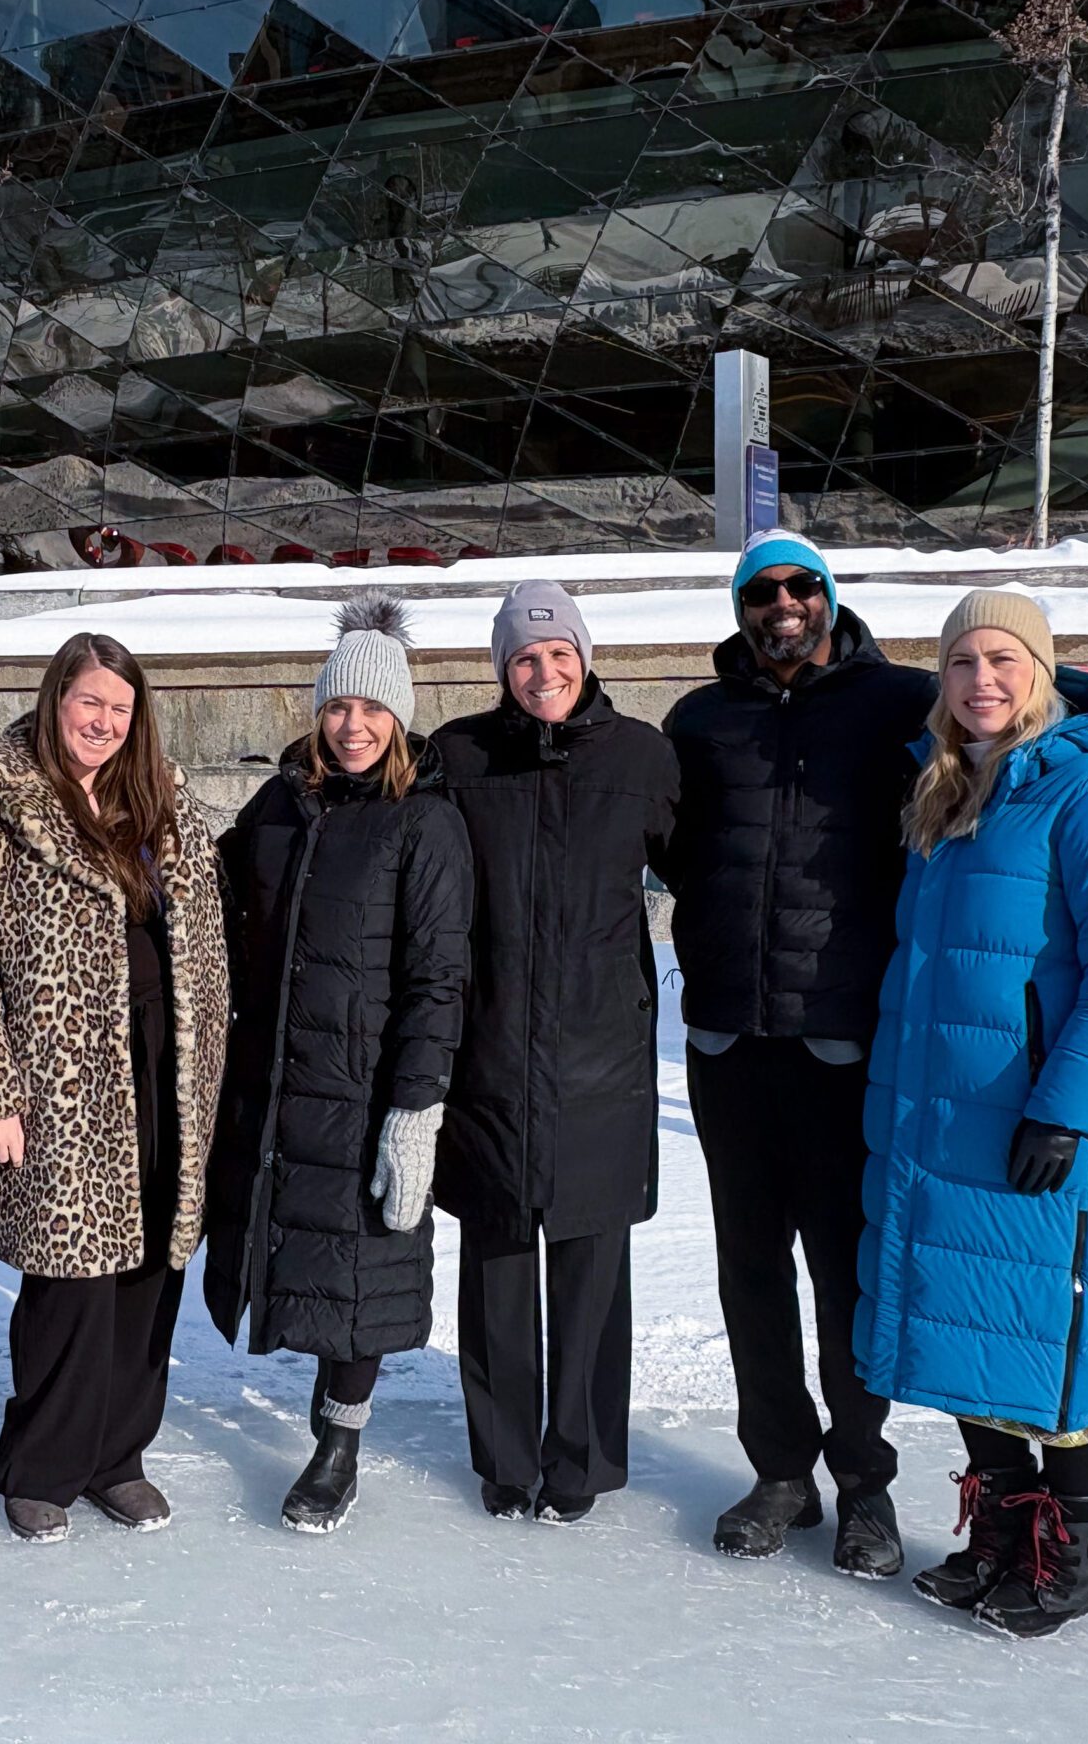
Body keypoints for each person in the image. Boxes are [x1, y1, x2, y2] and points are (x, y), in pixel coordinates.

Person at [662, 530, 1088, 1576]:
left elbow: (1053, 767)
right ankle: (778, 1473)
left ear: (828, 596)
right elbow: (634, 831)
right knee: (748, 1272)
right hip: (731, 1040)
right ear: (740, 607)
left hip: (850, 1045)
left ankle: (864, 1484)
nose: (782, 605)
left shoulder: (900, 703)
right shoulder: (698, 720)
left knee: (853, 1272)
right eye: (760, 591)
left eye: (801, 586)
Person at [860, 592, 1088, 1636]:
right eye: (960, 662)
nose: (980, 680)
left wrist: (1067, 1109)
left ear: (1040, 671)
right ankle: (998, 1529)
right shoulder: (946, 790)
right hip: (942, 1122)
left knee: (1061, 1336)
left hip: (1037, 1126)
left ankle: (1063, 1554)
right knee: (964, 1322)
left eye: (1002, 659)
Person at [0, 631, 230, 1544]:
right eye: (88, 701)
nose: (102, 721)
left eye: (119, 709)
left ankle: (117, 1457)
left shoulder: (166, 804)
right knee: (69, 1279)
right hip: (55, 1081)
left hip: (164, 1065)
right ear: (57, 698)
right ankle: (41, 1465)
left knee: (150, 1272)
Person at [209, 598, 471, 1534]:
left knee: (360, 1270)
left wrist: (416, 1110)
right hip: (277, 1080)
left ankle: (338, 1443)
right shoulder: (280, 803)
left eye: (371, 710)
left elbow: (440, 979)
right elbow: (217, 893)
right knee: (291, 1251)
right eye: (336, 708)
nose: (352, 727)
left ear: (399, 717)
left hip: (364, 1088)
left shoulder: (425, 823)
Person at [430, 582, 677, 1525]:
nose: (544, 673)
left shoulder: (643, 758)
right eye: (525, 659)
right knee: (495, 1267)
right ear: (502, 669)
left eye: (559, 655)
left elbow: (706, 867)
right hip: (489, 1056)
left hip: (600, 1059)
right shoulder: (459, 756)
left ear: (586, 658)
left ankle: (578, 1466)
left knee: (589, 1274)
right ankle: (505, 1463)